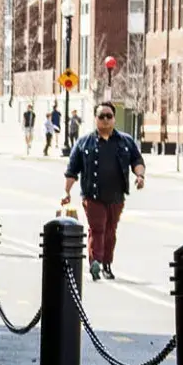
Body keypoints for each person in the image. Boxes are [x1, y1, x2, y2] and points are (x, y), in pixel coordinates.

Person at [61, 101, 146, 281]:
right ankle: (95, 262)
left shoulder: (125, 141)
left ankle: (107, 263)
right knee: (97, 228)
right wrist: (67, 192)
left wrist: (140, 177)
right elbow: (72, 170)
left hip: (116, 196)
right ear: (95, 119)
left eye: (109, 116)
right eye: (102, 116)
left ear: (114, 119)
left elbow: (137, 161)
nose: (105, 120)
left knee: (110, 231)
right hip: (93, 196)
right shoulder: (84, 142)